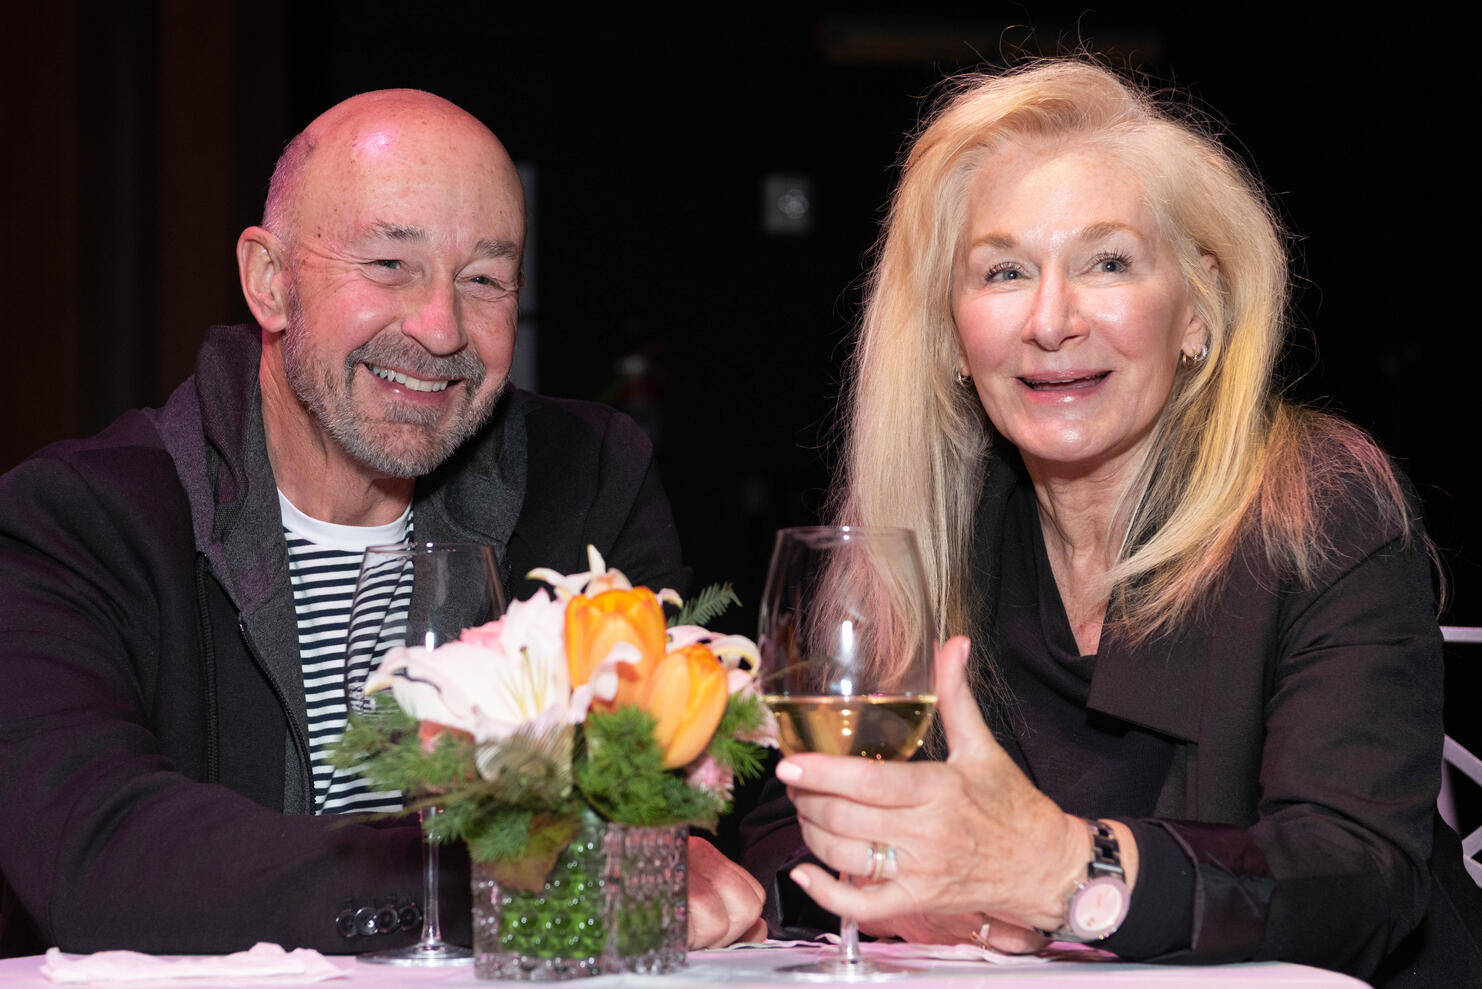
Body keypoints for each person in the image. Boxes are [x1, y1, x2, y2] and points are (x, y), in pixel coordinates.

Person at [741, 60, 1480, 984]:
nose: (1051, 321)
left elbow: (1355, 878)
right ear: (953, 338)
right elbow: (783, 815)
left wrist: (1063, 870)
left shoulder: (1317, 507)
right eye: (1004, 271)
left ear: (1198, 308)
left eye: (1108, 262)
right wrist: (915, 884)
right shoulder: (924, 527)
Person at [0, 89, 764, 955]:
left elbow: (707, 797)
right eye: (390, 265)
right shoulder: (76, 521)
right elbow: (96, 855)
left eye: (484, 279)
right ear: (269, 280)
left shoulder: (583, 484)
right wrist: (511, 876)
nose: (441, 329)